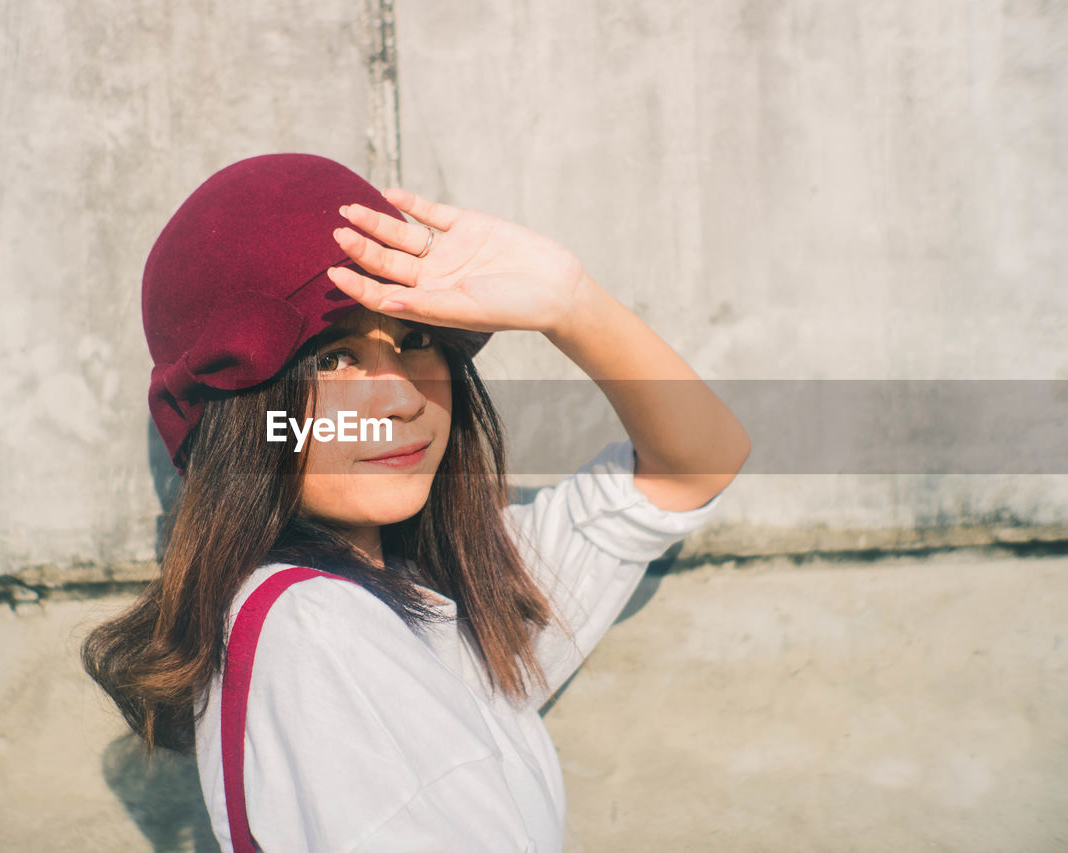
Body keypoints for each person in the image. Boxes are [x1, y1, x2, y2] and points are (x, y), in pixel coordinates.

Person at [82, 153, 751, 851]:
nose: (401, 398)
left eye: (418, 339)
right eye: (334, 358)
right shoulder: (318, 631)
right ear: (241, 411)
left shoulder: (446, 592)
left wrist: (570, 301)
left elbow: (697, 463)